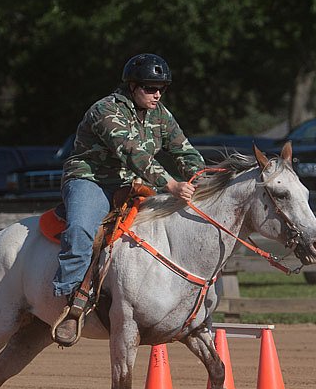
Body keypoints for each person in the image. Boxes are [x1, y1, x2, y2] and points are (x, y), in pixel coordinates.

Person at [52, 53, 204, 346]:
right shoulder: (105, 110)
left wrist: (203, 178)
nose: (157, 93)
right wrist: (171, 184)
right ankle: (69, 302)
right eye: (149, 87)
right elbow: (133, 153)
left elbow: (183, 151)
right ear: (132, 86)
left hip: (132, 185)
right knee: (81, 229)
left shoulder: (161, 114)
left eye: (161, 87)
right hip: (91, 179)